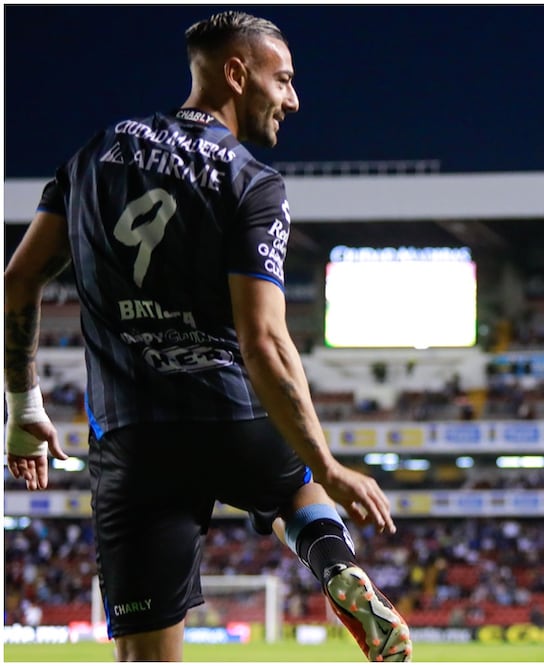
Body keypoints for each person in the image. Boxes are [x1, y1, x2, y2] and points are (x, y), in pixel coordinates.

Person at [3, 11, 411, 662]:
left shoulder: (91, 156)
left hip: (134, 438)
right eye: (283, 80)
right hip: (234, 416)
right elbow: (265, 341)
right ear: (235, 72)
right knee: (297, 484)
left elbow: (18, 282)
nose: (293, 99)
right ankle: (332, 563)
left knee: (146, 655)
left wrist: (24, 410)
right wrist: (330, 465)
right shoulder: (250, 181)